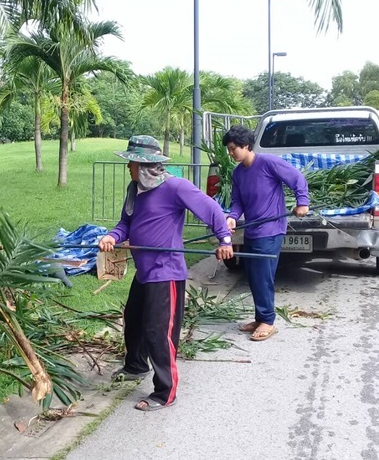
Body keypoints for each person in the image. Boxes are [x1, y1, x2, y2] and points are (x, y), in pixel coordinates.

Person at [98, 135, 233, 412]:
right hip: (144, 271)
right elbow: (126, 222)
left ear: (146, 165)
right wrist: (113, 236)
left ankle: (165, 391)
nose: (128, 168)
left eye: (131, 163)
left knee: (158, 331)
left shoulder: (175, 187)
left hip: (166, 272)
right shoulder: (134, 189)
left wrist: (224, 241)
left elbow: (211, 209)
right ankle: (135, 366)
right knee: (133, 319)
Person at [222, 125, 310, 341]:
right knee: (253, 275)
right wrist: (232, 216)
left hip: (270, 230)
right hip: (252, 230)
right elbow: (237, 201)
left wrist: (302, 202)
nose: (231, 153)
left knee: (263, 277)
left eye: (233, 148)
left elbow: (297, 178)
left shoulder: (268, 163)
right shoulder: (238, 172)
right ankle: (260, 316)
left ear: (246, 145)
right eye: (229, 149)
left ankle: (268, 321)